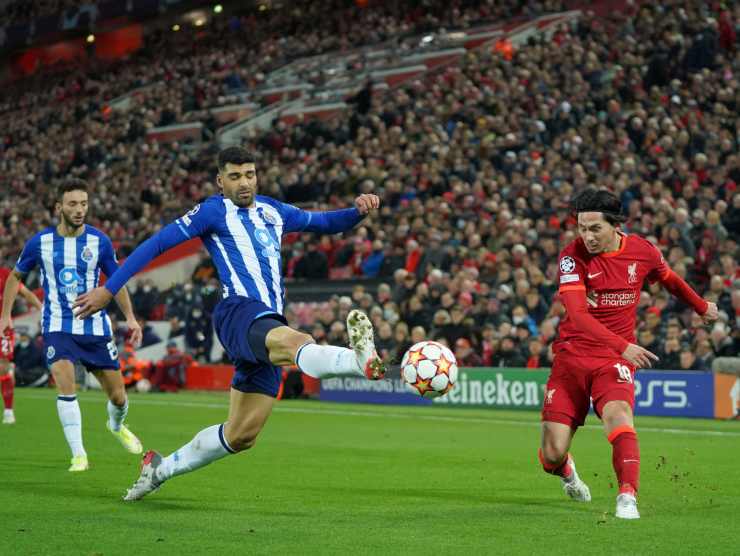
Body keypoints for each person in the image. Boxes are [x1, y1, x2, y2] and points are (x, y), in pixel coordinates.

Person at [73, 146, 386, 501]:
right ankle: (356, 361)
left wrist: (357, 212)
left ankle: (159, 468)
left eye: (249, 174)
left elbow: (325, 223)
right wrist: (109, 288)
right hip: (238, 311)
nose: (244, 182)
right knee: (298, 340)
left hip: (267, 322)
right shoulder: (212, 211)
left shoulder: (273, 210)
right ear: (220, 181)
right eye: (235, 176)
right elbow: (157, 245)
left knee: (241, 435)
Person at [539, 188, 718, 520]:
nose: (587, 236)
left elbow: (670, 280)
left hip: (613, 360)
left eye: (595, 229)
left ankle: (627, 496)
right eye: (581, 228)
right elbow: (578, 316)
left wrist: (702, 306)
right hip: (572, 356)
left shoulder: (642, 251)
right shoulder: (571, 257)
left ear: (615, 226)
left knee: (619, 415)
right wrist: (624, 345)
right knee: (552, 454)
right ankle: (567, 473)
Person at [0, 179, 144, 471]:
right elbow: (15, 277)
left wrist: (130, 317)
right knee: (66, 385)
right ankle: (79, 454)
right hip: (57, 325)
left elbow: (116, 282)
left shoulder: (99, 242)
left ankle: (116, 426)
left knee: (118, 397)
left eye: (84, 204)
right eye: (73, 204)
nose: (79, 210)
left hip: (94, 329)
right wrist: (5, 316)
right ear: (59, 207)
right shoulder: (40, 242)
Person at [0, 266, 43, 424]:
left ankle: (8, 411)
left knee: (3, 367)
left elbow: (26, 293)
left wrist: (42, 309)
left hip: (3, 326)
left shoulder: (6, 274)